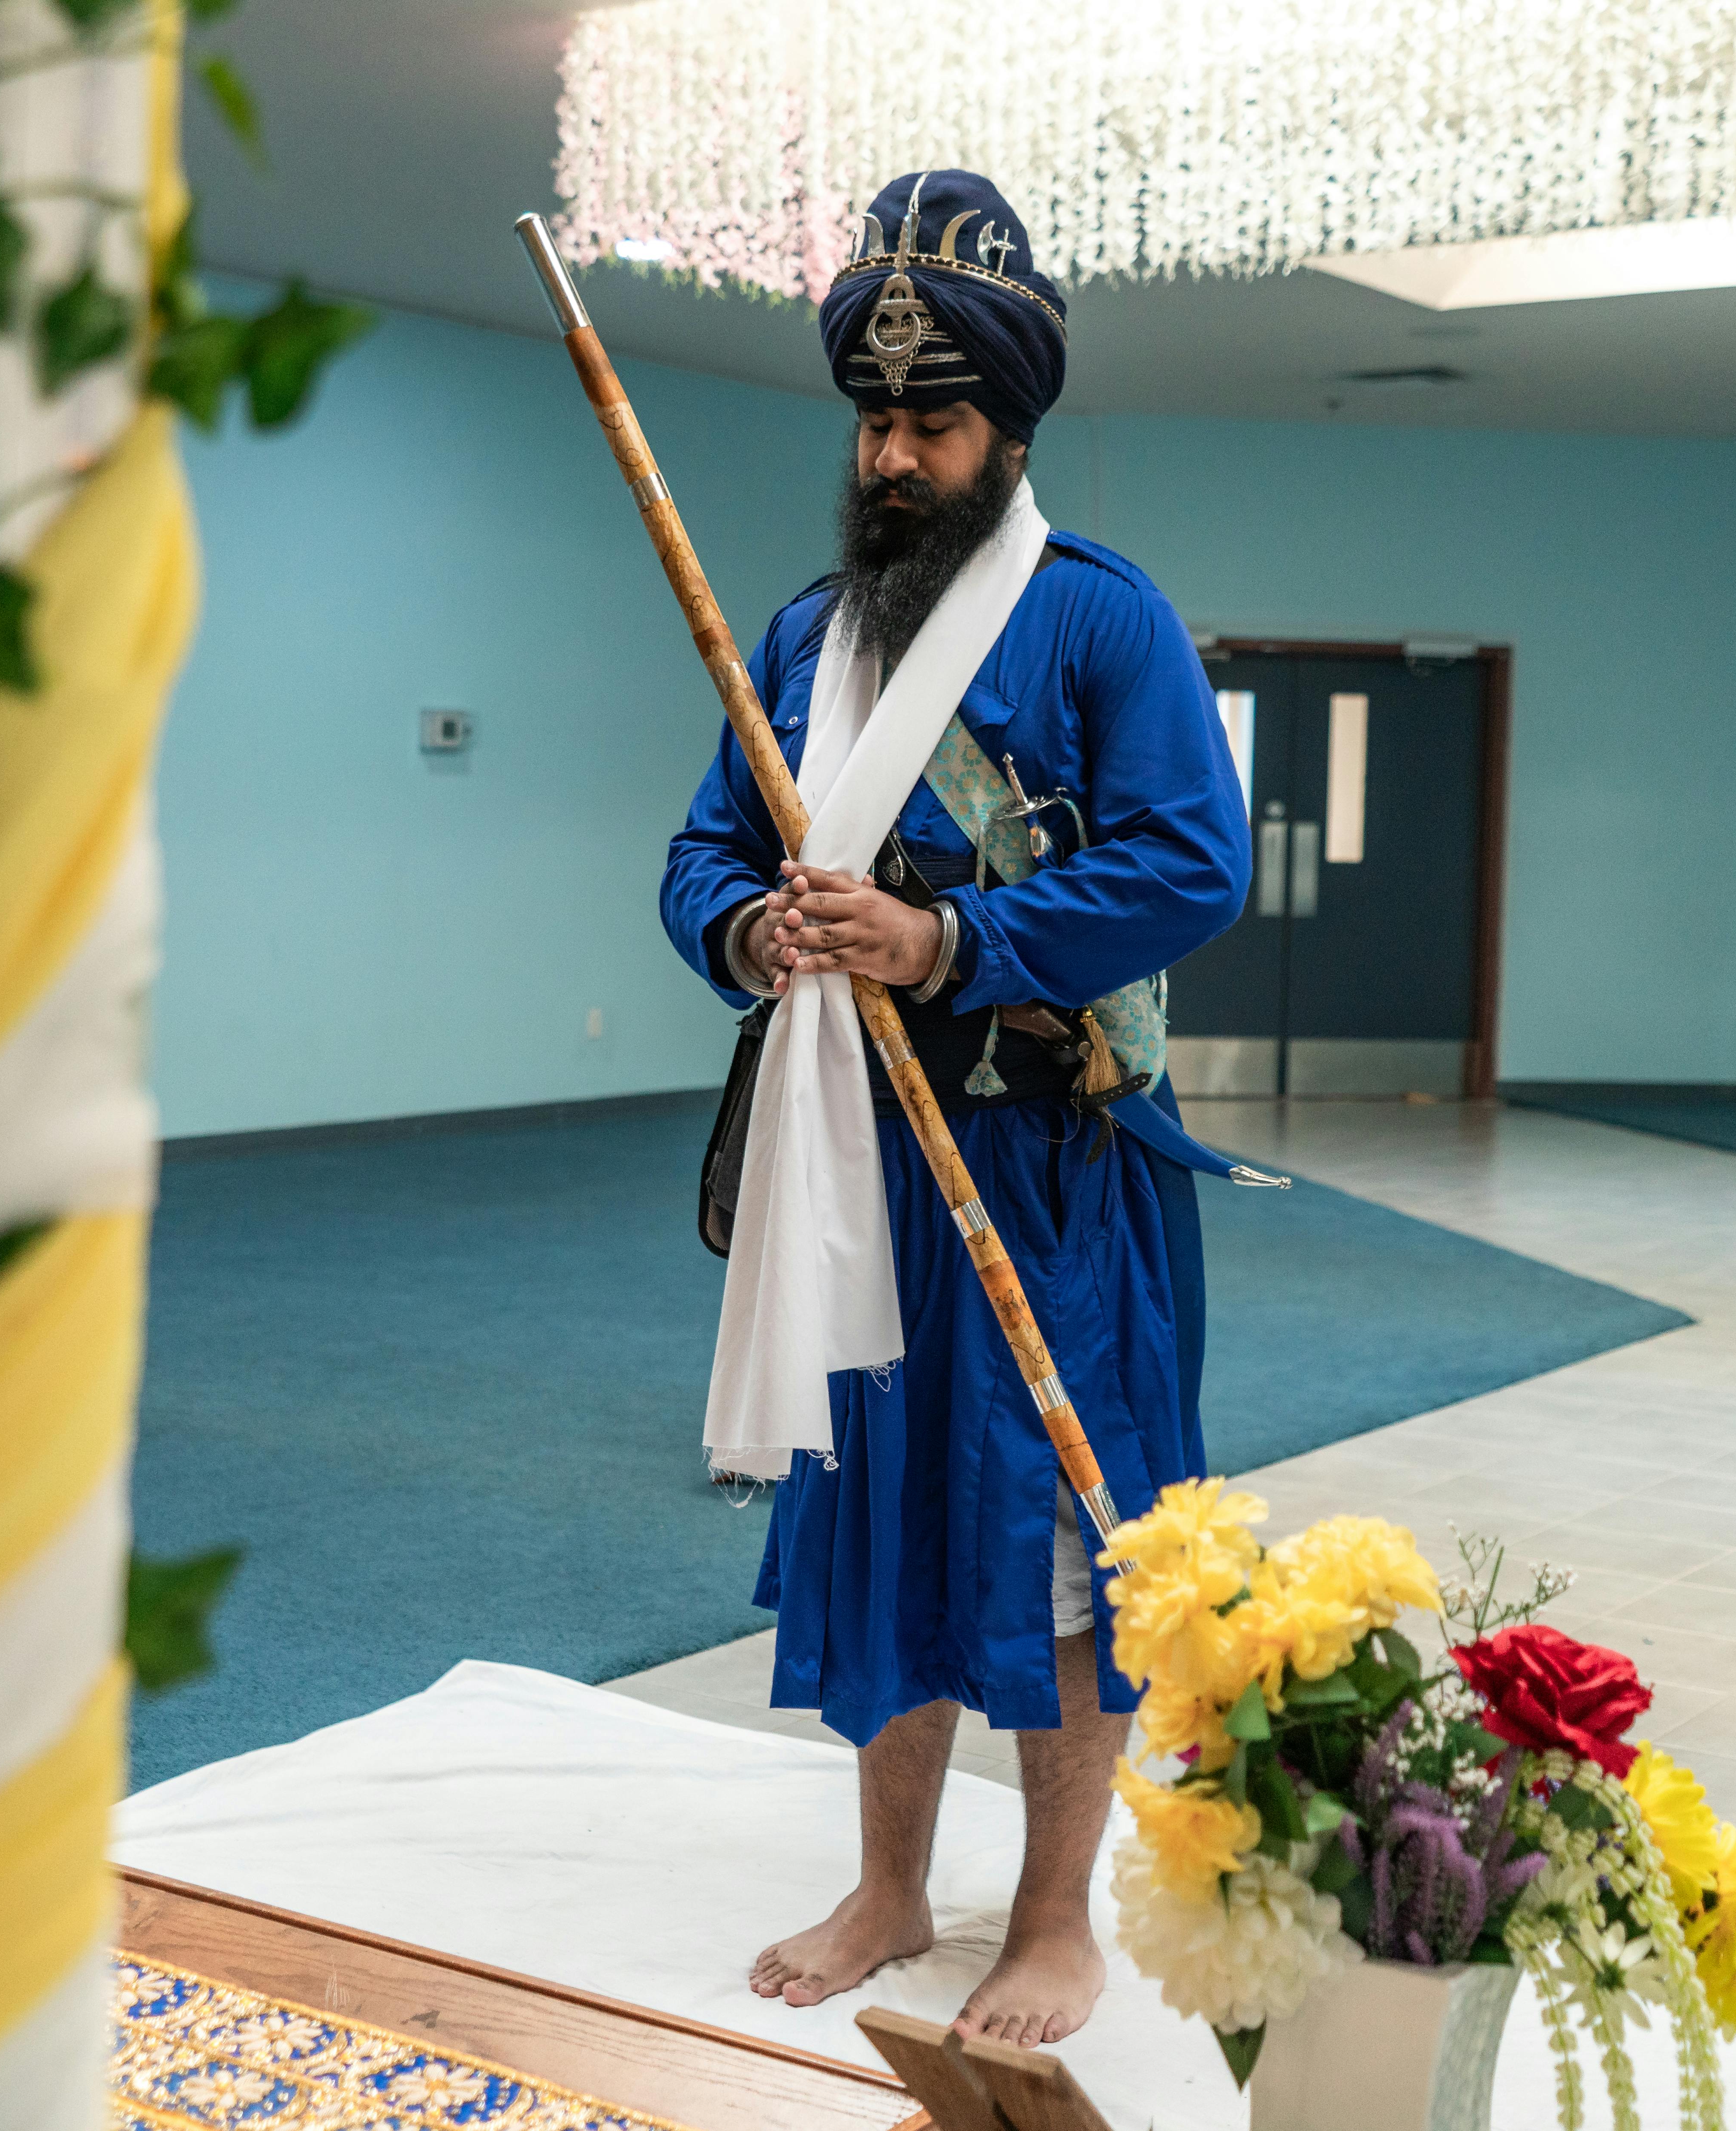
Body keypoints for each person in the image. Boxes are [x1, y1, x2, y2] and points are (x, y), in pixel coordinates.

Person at [660, 170, 1253, 2047]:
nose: (898, 452)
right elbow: (698, 851)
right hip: (852, 1169)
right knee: (880, 1520)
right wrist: (751, 925)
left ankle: (1055, 1915)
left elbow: (1190, 863)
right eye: (877, 420)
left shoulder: (1101, 623)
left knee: (1058, 1531)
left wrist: (953, 936)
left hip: (1052, 1166)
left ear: (1009, 431)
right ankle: (895, 1884)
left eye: (936, 420)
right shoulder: (797, 637)